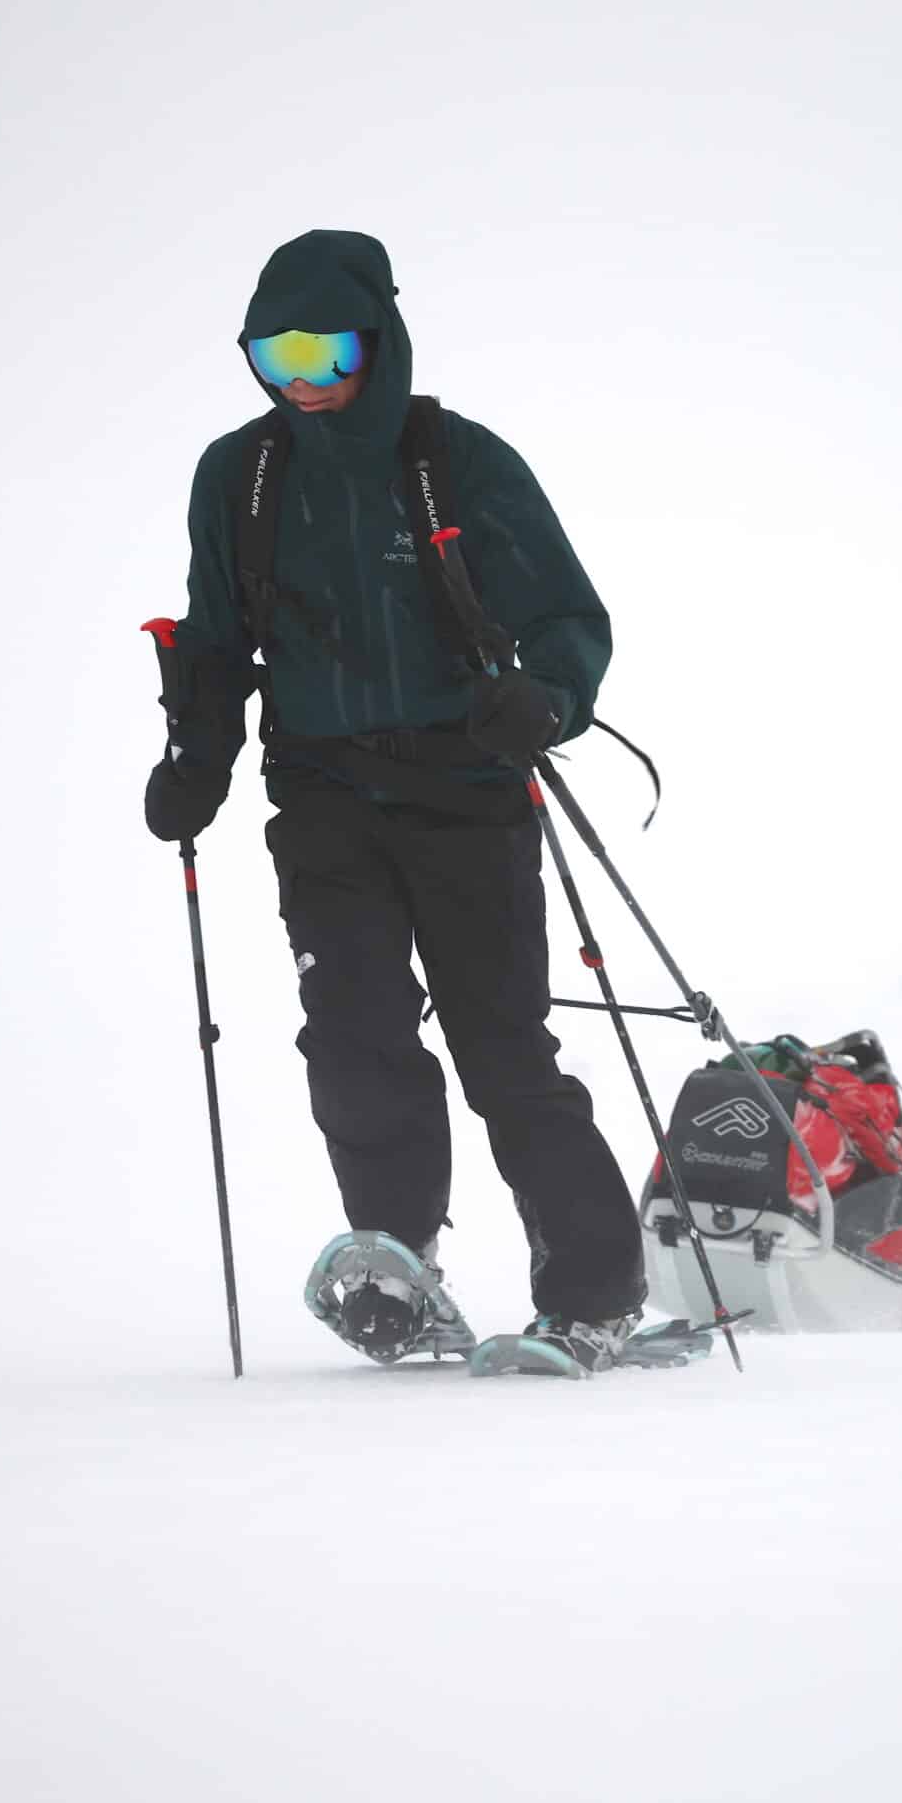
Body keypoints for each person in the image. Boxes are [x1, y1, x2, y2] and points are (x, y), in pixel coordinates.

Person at [144, 229, 647, 1371]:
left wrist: (546, 698)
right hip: (322, 795)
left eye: (328, 351)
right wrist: (197, 759)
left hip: (466, 790)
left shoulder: (458, 463)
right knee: (353, 1033)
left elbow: (569, 618)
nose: (305, 381)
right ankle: (397, 1267)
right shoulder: (241, 476)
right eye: (277, 357)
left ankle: (595, 1292)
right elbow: (217, 642)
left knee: (502, 1047)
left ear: (381, 339)